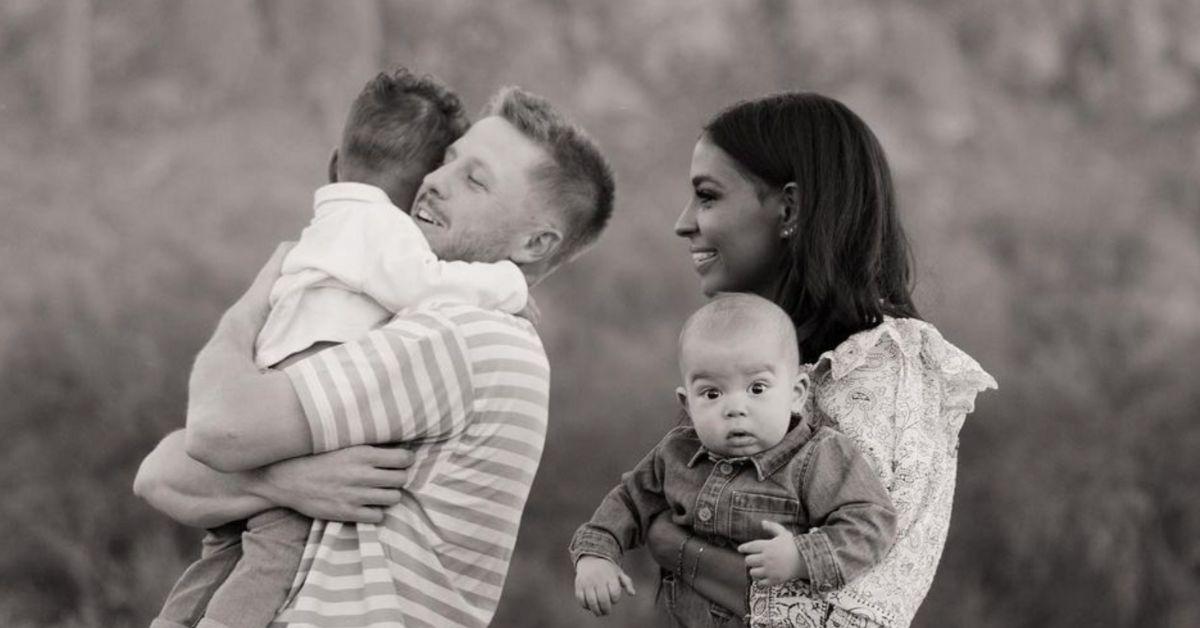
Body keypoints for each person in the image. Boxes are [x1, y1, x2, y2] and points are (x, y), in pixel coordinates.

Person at [134, 85, 615, 628]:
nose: (434, 181)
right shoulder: (397, 322)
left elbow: (218, 429)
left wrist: (249, 309)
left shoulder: (467, 335)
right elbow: (160, 474)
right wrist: (282, 482)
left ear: (535, 245)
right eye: (447, 161)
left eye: (474, 180)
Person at [646, 92, 997, 628]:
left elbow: (847, 605)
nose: (683, 223)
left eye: (708, 197)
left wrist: (674, 547)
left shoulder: (881, 370)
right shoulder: (758, 360)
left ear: (788, 209)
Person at [570, 294, 897, 627]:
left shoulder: (816, 455)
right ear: (687, 404)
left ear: (796, 392)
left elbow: (872, 522)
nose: (735, 408)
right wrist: (596, 553)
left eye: (757, 388)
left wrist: (802, 556)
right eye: (712, 394)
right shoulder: (677, 453)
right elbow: (628, 502)